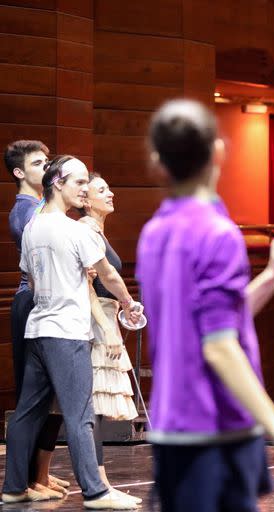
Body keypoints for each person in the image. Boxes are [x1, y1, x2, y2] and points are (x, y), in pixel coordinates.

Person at [136, 99, 274, 512]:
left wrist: (273, 277)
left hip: (171, 428)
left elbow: (212, 322)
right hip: (215, 428)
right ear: (218, 152)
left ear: (158, 163)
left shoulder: (154, 232)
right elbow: (219, 345)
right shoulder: (218, 234)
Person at [2, 155, 142, 509]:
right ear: (57, 183)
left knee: (27, 412)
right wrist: (128, 303)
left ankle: (14, 486)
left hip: (39, 329)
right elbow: (107, 274)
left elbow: (31, 280)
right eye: (78, 182)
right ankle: (96, 491)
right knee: (80, 414)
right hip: (66, 332)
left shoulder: (34, 225)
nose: (84, 188)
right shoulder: (74, 228)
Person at [3, 140, 69, 499]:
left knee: (50, 397)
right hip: (33, 301)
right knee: (33, 398)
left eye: (48, 161)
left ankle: (37, 477)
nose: (47, 167)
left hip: (48, 300)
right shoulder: (26, 212)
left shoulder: (42, 205)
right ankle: (23, 482)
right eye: (38, 163)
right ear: (19, 172)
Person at [77, 173, 141, 505]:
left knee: (94, 406)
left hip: (104, 317)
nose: (111, 192)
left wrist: (126, 306)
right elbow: (88, 284)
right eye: (102, 190)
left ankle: (99, 483)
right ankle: (99, 485)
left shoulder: (98, 231)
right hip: (93, 323)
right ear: (85, 199)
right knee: (94, 406)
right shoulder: (86, 231)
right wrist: (105, 326)